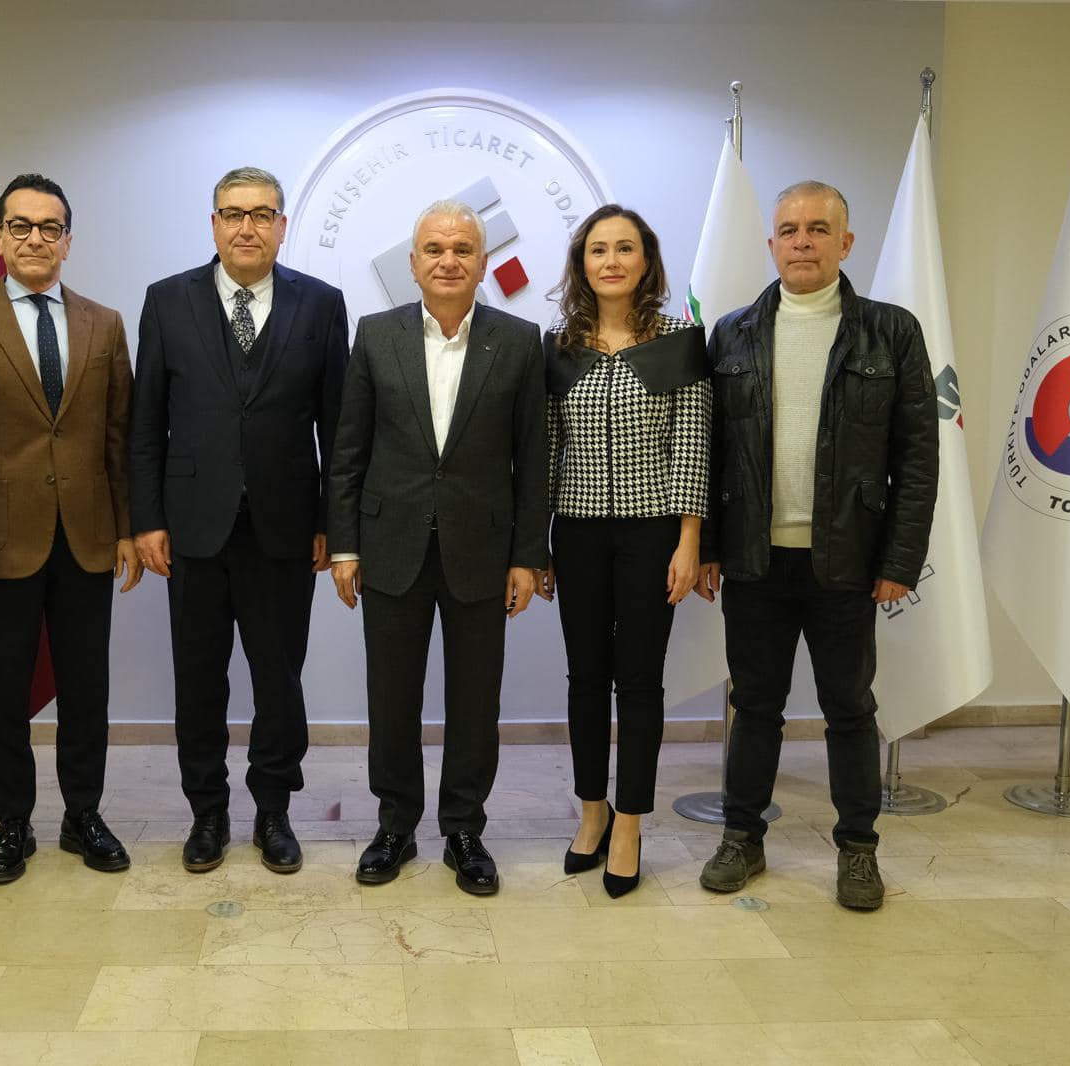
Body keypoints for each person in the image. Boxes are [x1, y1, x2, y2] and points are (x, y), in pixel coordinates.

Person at [693, 180, 937, 910]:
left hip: (847, 561)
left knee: (850, 709)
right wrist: (707, 545)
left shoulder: (891, 332)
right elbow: (708, 452)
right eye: (790, 230)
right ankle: (742, 837)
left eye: (819, 229)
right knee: (754, 705)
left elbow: (917, 458)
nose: (803, 241)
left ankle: (858, 850)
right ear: (771, 244)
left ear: (845, 242)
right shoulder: (732, 333)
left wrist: (899, 560)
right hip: (753, 559)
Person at [0, 173, 142, 885]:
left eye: (50, 227)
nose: (35, 238)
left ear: (68, 241)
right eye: (21, 225)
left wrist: (127, 529)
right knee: (4, 693)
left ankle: (83, 816)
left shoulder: (105, 323)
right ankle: (13, 823)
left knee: (86, 691)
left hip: (86, 540)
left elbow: (119, 438)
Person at [130, 166, 348, 874]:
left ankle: (274, 811)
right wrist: (147, 518)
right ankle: (208, 811)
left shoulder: (322, 304)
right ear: (214, 223)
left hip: (287, 528)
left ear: (282, 225)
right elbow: (145, 422)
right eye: (233, 213)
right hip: (193, 528)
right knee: (199, 680)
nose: (246, 227)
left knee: (280, 679)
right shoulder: (168, 301)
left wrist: (333, 521)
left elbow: (338, 428)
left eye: (261, 214)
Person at [328, 199, 548, 896]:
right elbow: (348, 450)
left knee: (475, 700)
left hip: (483, 550)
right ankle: (395, 825)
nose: (448, 260)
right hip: (389, 547)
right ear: (414, 262)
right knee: (391, 697)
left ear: (482, 263)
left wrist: (527, 555)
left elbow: (533, 459)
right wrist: (344, 547)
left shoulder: (519, 341)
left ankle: (464, 830)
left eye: (462, 249)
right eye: (434, 249)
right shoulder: (376, 334)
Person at [536, 205, 710, 898]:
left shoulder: (679, 342)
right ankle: (592, 811)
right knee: (585, 678)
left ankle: (631, 823)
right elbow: (547, 449)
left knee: (638, 682)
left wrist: (689, 541)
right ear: (582, 264)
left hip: (652, 534)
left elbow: (693, 445)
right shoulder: (559, 347)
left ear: (646, 261)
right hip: (577, 532)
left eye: (625, 248)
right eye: (598, 249)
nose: (611, 261)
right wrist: (538, 544)